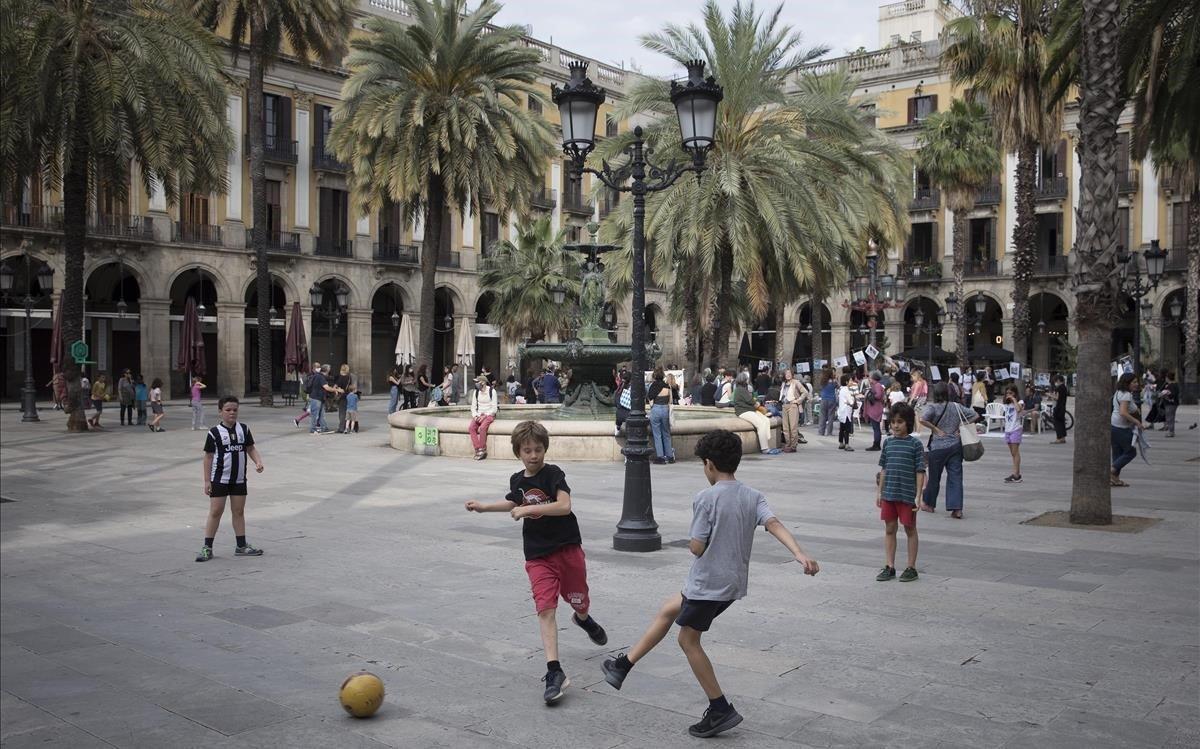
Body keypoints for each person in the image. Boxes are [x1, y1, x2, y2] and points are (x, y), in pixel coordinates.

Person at [599, 429, 819, 738]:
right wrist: (800, 554)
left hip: (707, 584)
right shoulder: (753, 495)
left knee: (688, 641)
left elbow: (697, 547)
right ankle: (623, 665)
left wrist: (695, 541)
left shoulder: (705, 498)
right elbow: (774, 524)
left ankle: (720, 708)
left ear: (709, 465)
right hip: (729, 585)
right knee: (668, 608)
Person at [464, 421, 607, 704]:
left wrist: (529, 508)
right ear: (518, 452)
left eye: (538, 450)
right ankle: (554, 671)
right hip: (538, 554)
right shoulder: (517, 480)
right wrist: (484, 507)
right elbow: (512, 502)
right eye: (527, 450)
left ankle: (583, 618)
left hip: (567, 549)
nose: (533, 455)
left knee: (579, 599)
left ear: (545, 449)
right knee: (545, 608)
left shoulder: (553, 474)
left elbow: (564, 505)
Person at [195, 395, 265, 562]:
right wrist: (207, 481)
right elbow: (208, 457)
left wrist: (258, 461)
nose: (232, 413)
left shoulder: (244, 429)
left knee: (238, 511)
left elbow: (251, 448)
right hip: (219, 479)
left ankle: (241, 546)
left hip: (239, 479)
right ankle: (207, 547)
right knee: (216, 512)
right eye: (228, 410)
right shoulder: (213, 433)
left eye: (235, 410)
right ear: (220, 412)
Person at [876, 402, 925, 583]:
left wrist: (918, 496)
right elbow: (884, 469)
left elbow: (920, 471)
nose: (896, 425)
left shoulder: (915, 445)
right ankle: (889, 566)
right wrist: (879, 492)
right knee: (890, 528)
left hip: (907, 495)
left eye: (900, 422)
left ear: (908, 423)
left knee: (910, 529)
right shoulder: (888, 444)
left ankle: (911, 567)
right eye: (893, 422)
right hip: (889, 493)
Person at [919, 383, 980, 519]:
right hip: (955, 446)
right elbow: (975, 415)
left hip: (938, 447)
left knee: (934, 477)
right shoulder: (956, 406)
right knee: (955, 477)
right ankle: (957, 509)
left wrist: (935, 429)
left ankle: (929, 504)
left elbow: (922, 419)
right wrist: (961, 426)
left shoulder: (933, 407)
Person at [732, 372, 780, 455]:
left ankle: (767, 441)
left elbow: (750, 400)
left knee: (766, 420)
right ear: (744, 380)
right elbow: (750, 401)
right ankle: (764, 448)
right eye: (747, 378)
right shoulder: (741, 389)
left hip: (749, 410)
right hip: (744, 412)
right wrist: (757, 403)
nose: (748, 380)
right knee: (761, 424)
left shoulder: (741, 388)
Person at [1110, 372, 1143, 487]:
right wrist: (1137, 422)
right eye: (1134, 382)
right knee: (1131, 452)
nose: (1136, 384)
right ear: (1127, 383)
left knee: (1118, 453)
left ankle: (1114, 479)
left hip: (1113, 426)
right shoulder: (1126, 395)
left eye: (1136, 382)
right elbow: (1123, 412)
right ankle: (1112, 470)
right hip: (1121, 428)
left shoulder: (1119, 392)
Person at [647, 367, 676, 464]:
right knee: (666, 433)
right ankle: (670, 456)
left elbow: (650, 400)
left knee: (657, 434)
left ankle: (660, 457)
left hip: (656, 409)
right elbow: (670, 401)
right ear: (663, 375)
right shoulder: (667, 387)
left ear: (654, 376)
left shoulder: (653, 386)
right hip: (665, 410)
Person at [469, 375, 499, 459]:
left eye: (477, 382)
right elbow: (473, 407)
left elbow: (494, 408)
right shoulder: (476, 392)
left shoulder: (492, 391)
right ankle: (477, 448)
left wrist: (485, 416)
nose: (476, 384)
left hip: (489, 414)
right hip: (479, 414)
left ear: (483, 382)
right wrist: (475, 416)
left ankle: (483, 449)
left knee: (482, 428)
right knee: (471, 428)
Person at [779, 369, 808, 452]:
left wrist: (798, 400)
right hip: (784, 405)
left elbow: (805, 392)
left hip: (792, 405)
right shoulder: (783, 383)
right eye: (786, 373)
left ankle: (793, 446)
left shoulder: (796, 382)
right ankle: (788, 445)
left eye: (789, 373)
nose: (788, 375)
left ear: (792, 374)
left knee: (793, 427)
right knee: (785, 427)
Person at [1002, 385, 1024, 483]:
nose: (1008, 395)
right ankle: (1016, 474)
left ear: (1015, 393)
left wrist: (1014, 399)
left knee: (1015, 452)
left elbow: (1019, 410)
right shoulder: (1006, 404)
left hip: (1016, 429)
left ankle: (1016, 475)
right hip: (1008, 430)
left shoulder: (1020, 402)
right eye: (1007, 393)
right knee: (1012, 453)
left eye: (1011, 393)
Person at [306, 363, 334, 434]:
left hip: (319, 398)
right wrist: (335, 390)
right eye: (329, 370)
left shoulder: (318, 376)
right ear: (327, 370)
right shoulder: (321, 377)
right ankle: (313, 429)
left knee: (321, 415)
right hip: (316, 398)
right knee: (315, 415)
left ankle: (324, 428)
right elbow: (326, 387)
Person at [862, 371, 886, 451]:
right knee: (875, 427)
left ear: (873, 378)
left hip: (875, 409)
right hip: (874, 408)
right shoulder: (875, 385)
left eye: (870, 377)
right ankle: (876, 444)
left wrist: (870, 396)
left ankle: (876, 445)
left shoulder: (877, 385)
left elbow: (878, 395)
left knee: (876, 428)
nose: (869, 379)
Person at [836, 374, 858, 451]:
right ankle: (847, 444)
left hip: (842, 411)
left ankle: (841, 443)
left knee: (842, 428)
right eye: (850, 380)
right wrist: (853, 398)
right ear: (846, 382)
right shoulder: (846, 390)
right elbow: (851, 402)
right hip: (846, 412)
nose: (851, 382)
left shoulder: (841, 389)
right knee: (847, 429)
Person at [333, 364, 355, 433]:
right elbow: (351, 386)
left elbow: (335, 387)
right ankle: (349, 427)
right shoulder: (349, 377)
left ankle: (341, 428)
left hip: (342, 397)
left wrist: (336, 391)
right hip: (349, 396)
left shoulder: (340, 377)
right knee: (349, 412)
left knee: (342, 413)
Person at [907, 369, 928, 435]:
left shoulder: (918, 383)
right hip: (921, 399)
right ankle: (917, 430)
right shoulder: (923, 382)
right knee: (918, 414)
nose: (912, 378)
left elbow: (915, 393)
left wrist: (910, 401)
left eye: (913, 376)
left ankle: (918, 431)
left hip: (919, 399)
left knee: (917, 414)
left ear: (916, 376)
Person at [1050, 374, 1069, 443]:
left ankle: (1059, 438)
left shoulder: (1059, 388)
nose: (1055, 383)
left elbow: (1057, 398)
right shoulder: (1064, 387)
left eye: (1055, 381)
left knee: (1057, 423)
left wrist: (1049, 395)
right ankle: (1063, 438)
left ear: (1058, 380)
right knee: (1062, 423)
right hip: (1063, 407)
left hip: (1058, 407)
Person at [818, 369, 837, 437]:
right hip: (832, 399)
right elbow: (837, 386)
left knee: (822, 416)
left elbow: (820, 388)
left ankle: (821, 432)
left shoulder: (823, 381)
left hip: (824, 399)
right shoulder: (834, 381)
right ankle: (829, 432)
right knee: (830, 417)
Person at [1160, 370, 1180, 437]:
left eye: (1166, 377)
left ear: (1168, 378)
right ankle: (1171, 431)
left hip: (1170, 403)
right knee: (1170, 417)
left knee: (1170, 418)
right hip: (1172, 403)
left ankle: (1171, 432)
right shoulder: (1174, 384)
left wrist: (1165, 395)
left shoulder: (1171, 385)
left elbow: (1172, 394)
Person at [614, 369, 631, 436]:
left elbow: (616, 402)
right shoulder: (631, 389)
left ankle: (617, 428)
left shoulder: (619, 388)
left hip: (619, 414)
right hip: (628, 415)